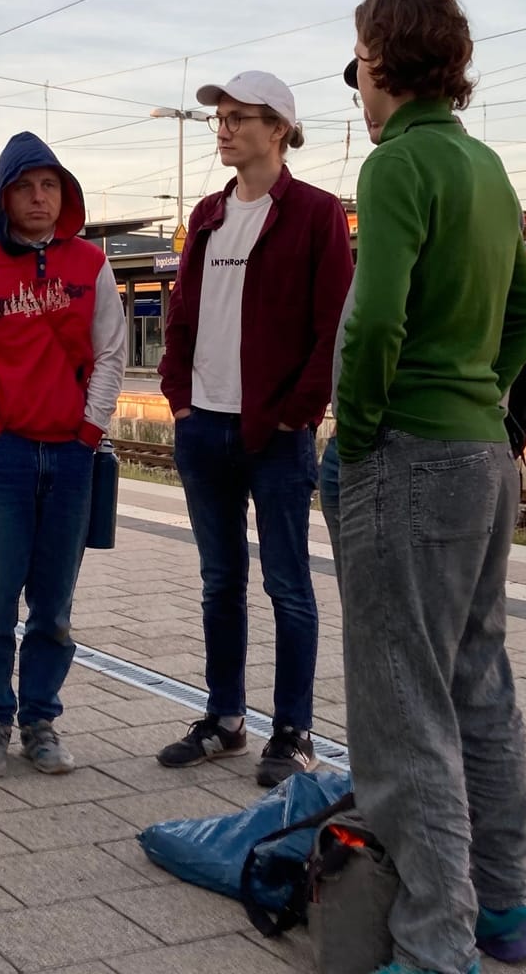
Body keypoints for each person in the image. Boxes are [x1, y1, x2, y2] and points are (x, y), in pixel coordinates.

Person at [339, 0, 526, 973]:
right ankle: (507, 913)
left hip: (410, 454)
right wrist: (485, 400)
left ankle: (433, 941)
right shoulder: (486, 166)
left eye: (356, 65)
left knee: (401, 699)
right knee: (478, 683)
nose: (356, 86)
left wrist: (363, 426)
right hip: (482, 454)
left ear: (382, 59)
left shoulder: (395, 167)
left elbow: (374, 320)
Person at [153, 71, 351, 788]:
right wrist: (179, 399)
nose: (225, 128)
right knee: (218, 581)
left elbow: (334, 327)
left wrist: (298, 411)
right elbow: (181, 320)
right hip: (203, 426)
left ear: (279, 130)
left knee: (288, 584)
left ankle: (293, 732)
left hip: (275, 434)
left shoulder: (317, 214)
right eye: (221, 118)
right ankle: (225, 718)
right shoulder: (206, 214)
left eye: (240, 117)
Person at [0, 132, 125, 780]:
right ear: (4, 195)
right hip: (2, 458)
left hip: (69, 460)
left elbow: (110, 354)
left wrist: (89, 431)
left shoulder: (92, 268)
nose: (39, 197)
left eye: (50, 185)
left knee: (54, 605)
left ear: (64, 193)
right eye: (26, 186)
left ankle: (40, 720)